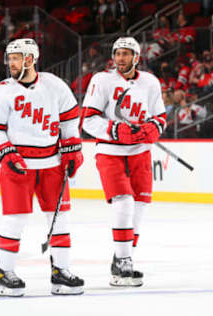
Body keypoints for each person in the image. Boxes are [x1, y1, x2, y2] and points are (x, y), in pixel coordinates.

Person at [0, 38, 84, 297]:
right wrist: (6, 153)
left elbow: (70, 118)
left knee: (60, 218)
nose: (11, 63)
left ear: (30, 59)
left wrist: (72, 148)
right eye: (10, 58)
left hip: (53, 164)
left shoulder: (54, 85)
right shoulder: (2, 90)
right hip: (19, 165)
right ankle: (5, 273)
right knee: (15, 219)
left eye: (16, 57)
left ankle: (60, 272)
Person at [81, 37, 167, 287]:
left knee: (139, 206)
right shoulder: (102, 80)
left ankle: (122, 261)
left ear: (136, 57)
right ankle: (123, 259)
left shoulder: (150, 83)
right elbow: (88, 120)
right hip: (111, 151)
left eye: (126, 54)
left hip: (140, 152)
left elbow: (160, 115)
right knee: (124, 202)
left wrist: (153, 128)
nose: (120, 58)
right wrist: (115, 130)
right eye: (117, 53)